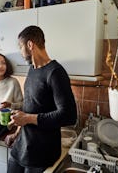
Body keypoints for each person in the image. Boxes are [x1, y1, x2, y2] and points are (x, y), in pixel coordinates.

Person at [7, 25, 77, 173]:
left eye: (21, 47)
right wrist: (17, 132)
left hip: (41, 152)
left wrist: (27, 118)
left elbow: (69, 116)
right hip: (22, 146)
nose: (20, 52)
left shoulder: (56, 73)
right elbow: (29, 105)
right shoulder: (32, 69)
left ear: (30, 45)